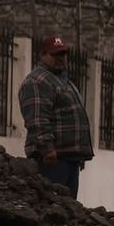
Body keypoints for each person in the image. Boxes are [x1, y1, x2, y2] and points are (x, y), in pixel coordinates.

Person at [18, 35, 93, 197]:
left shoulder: (63, 81)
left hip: (68, 159)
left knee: (67, 210)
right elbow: (37, 119)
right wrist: (47, 149)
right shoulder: (38, 81)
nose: (61, 59)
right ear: (43, 55)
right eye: (55, 55)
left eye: (63, 54)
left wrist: (79, 154)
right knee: (51, 206)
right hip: (52, 160)